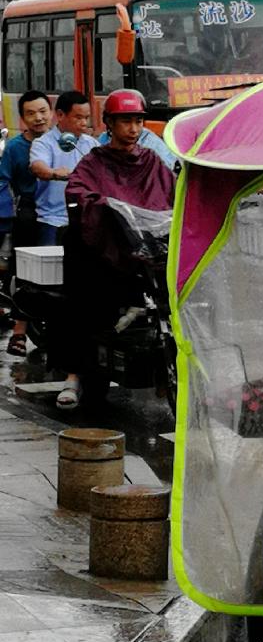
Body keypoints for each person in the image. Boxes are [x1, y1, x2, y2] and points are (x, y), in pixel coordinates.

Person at [56, 90, 176, 410]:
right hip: (107, 253)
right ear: (109, 124)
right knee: (86, 301)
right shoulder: (94, 162)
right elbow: (78, 190)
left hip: (147, 250)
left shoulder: (152, 161)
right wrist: (103, 207)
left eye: (138, 121)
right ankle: (74, 375)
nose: (133, 129)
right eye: (125, 122)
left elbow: (173, 193)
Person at [0, 91, 52, 356]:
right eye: (31, 113)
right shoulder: (15, 148)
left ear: (52, 112)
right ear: (22, 118)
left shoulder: (64, 142)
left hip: (61, 210)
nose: (38, 117)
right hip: (29, 210)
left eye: (42, 111)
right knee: (27, 271)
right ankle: (19, 332)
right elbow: (3, 181)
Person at [28, 90, 96, 244]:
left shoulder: (91, 143)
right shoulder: (43, 143)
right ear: (60, 115)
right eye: (78, 117)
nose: (84, 123)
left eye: (86, 118)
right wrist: (55, 173)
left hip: (85, 219)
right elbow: (38, 167)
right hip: (53, 220)